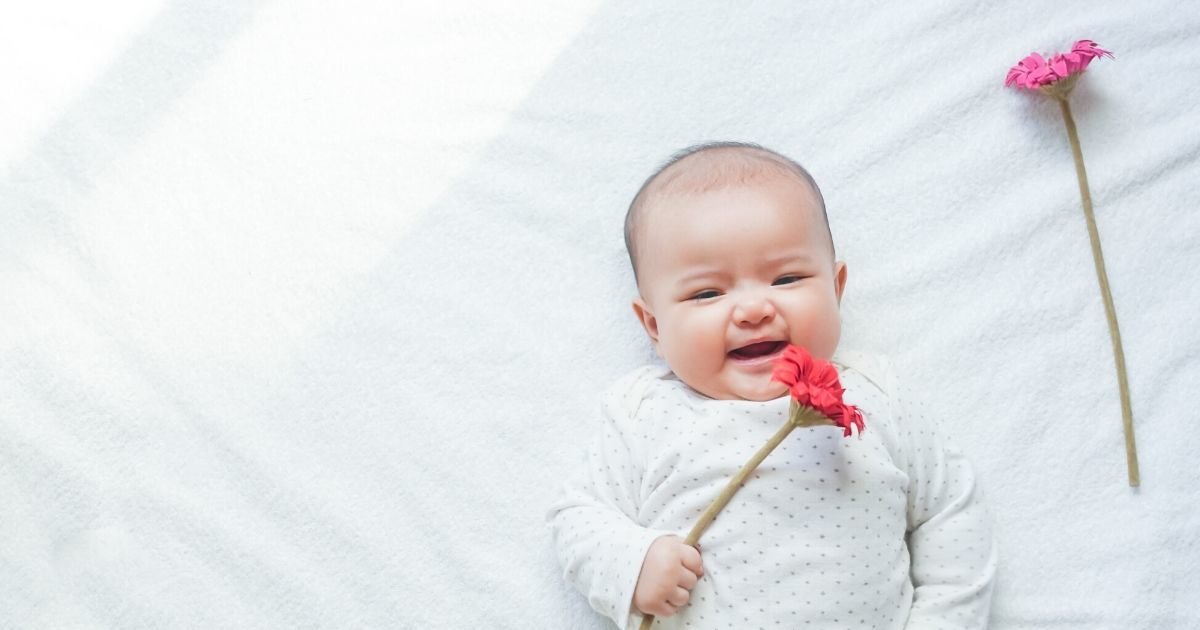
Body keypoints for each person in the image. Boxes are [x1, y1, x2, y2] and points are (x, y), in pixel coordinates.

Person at [547, 142, 995, 629]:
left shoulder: (875, 393)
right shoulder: (645, 411)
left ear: (836, 288)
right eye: (707, 293)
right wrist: (633, 563)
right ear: (653, 326)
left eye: (786, 278)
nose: (754, 309)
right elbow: (578, 518)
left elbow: (950, 512)